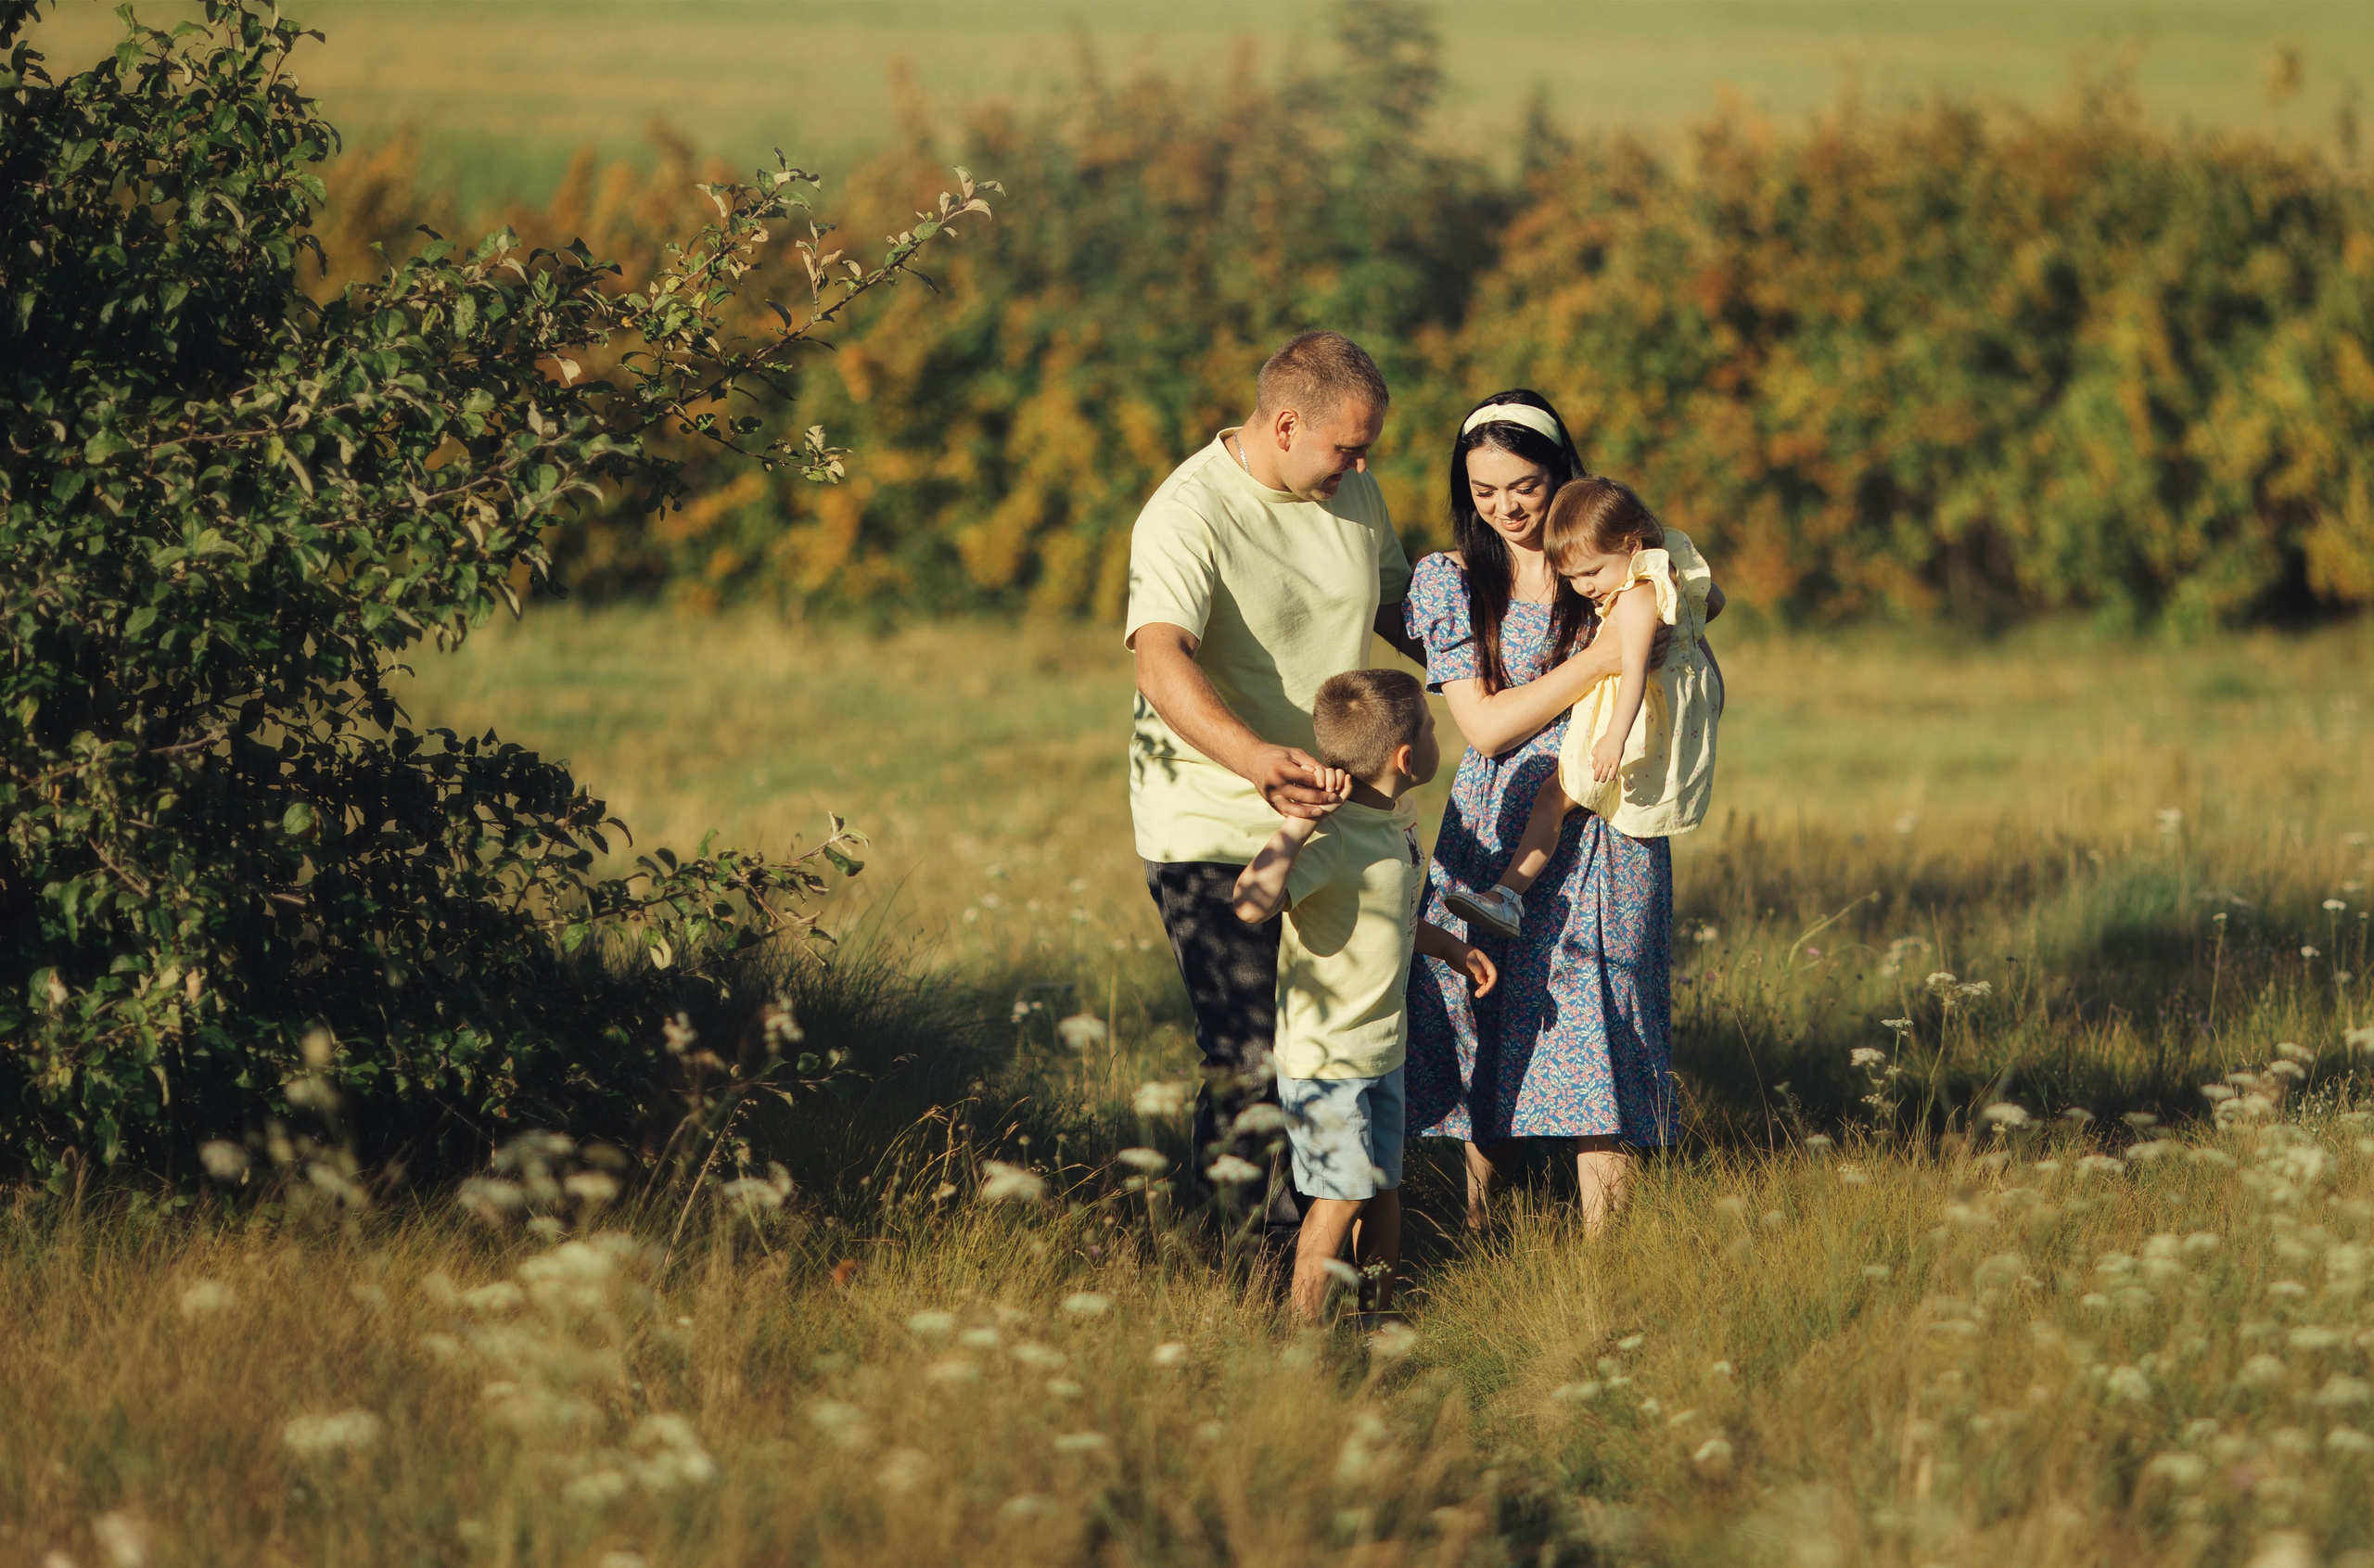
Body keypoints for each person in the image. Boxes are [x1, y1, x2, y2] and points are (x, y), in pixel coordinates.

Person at [1126, 331, 1420, 1241]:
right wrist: (1254, 757)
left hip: (1344, 821)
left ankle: (1346, 1271)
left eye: (1366, 449)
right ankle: (1245, 1277)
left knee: (1339, 1051)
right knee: (1254, 1057)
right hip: (1214, 828)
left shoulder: (1352, 490)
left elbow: (1402, 607)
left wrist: (1526, 656)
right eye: (1348, 447)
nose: (1362, 464)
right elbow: (1157, 657)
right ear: (1286, 423)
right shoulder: (1188, 512)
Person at [1402, 391, 1716, 1233]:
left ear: (1563, 474)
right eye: (1484, 490)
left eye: (1526, 486)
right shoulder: (1451, 579)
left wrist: (1639, 611)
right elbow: (1487, 724)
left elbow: (1692, 633)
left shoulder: (1615, 563)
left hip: (1609, 819)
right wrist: (1607, 658)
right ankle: (1475, 1229)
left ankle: (1606, 1261)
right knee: (1486, 1009)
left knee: (1599, 1017)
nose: (1505, 508)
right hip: (1497, 813)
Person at [1229, 669, 1497, 1322]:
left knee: (1382, 1192)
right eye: (1433, 728)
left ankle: (1378, 1326)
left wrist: (1451, 949)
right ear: (1407, 757)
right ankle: (1303, 1350)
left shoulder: (1396, 819)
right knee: (1340, 1199)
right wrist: (1293, 827)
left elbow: (1397, 915)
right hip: (1326, 1061)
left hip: (1382, 1051)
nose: (1440, 734)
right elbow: (1249, 902)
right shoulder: (1334, 839)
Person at [1447, 476, 1725, 939]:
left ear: (1631, 544)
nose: (1582, 587)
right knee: (1554, 802)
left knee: (1551, 799)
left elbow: (1632, 670)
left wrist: (1613, 737)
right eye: (1572, 577)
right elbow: (1713, 600)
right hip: (1648, 718)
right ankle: (1508, 897)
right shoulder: (1659, 570)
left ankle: (1508, 896)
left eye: (1591, 572)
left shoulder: (1635, 595)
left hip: (1629, 725)